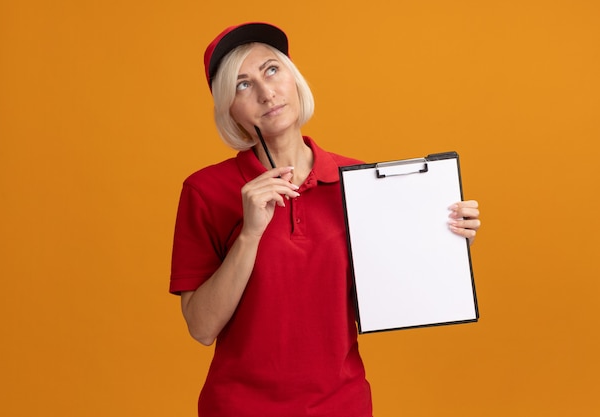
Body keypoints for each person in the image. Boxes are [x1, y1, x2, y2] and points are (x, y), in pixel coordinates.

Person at [169, 22, 481, 417]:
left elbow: (390, 293)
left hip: (342, 404)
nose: (266, 93)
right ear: (229, 109)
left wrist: (443, 242)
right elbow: (200, 327)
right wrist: (249, 234)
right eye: (243, 85)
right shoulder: (205, 191)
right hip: (239, 408)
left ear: (293, 78)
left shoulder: (361, 182)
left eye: (271, 70)